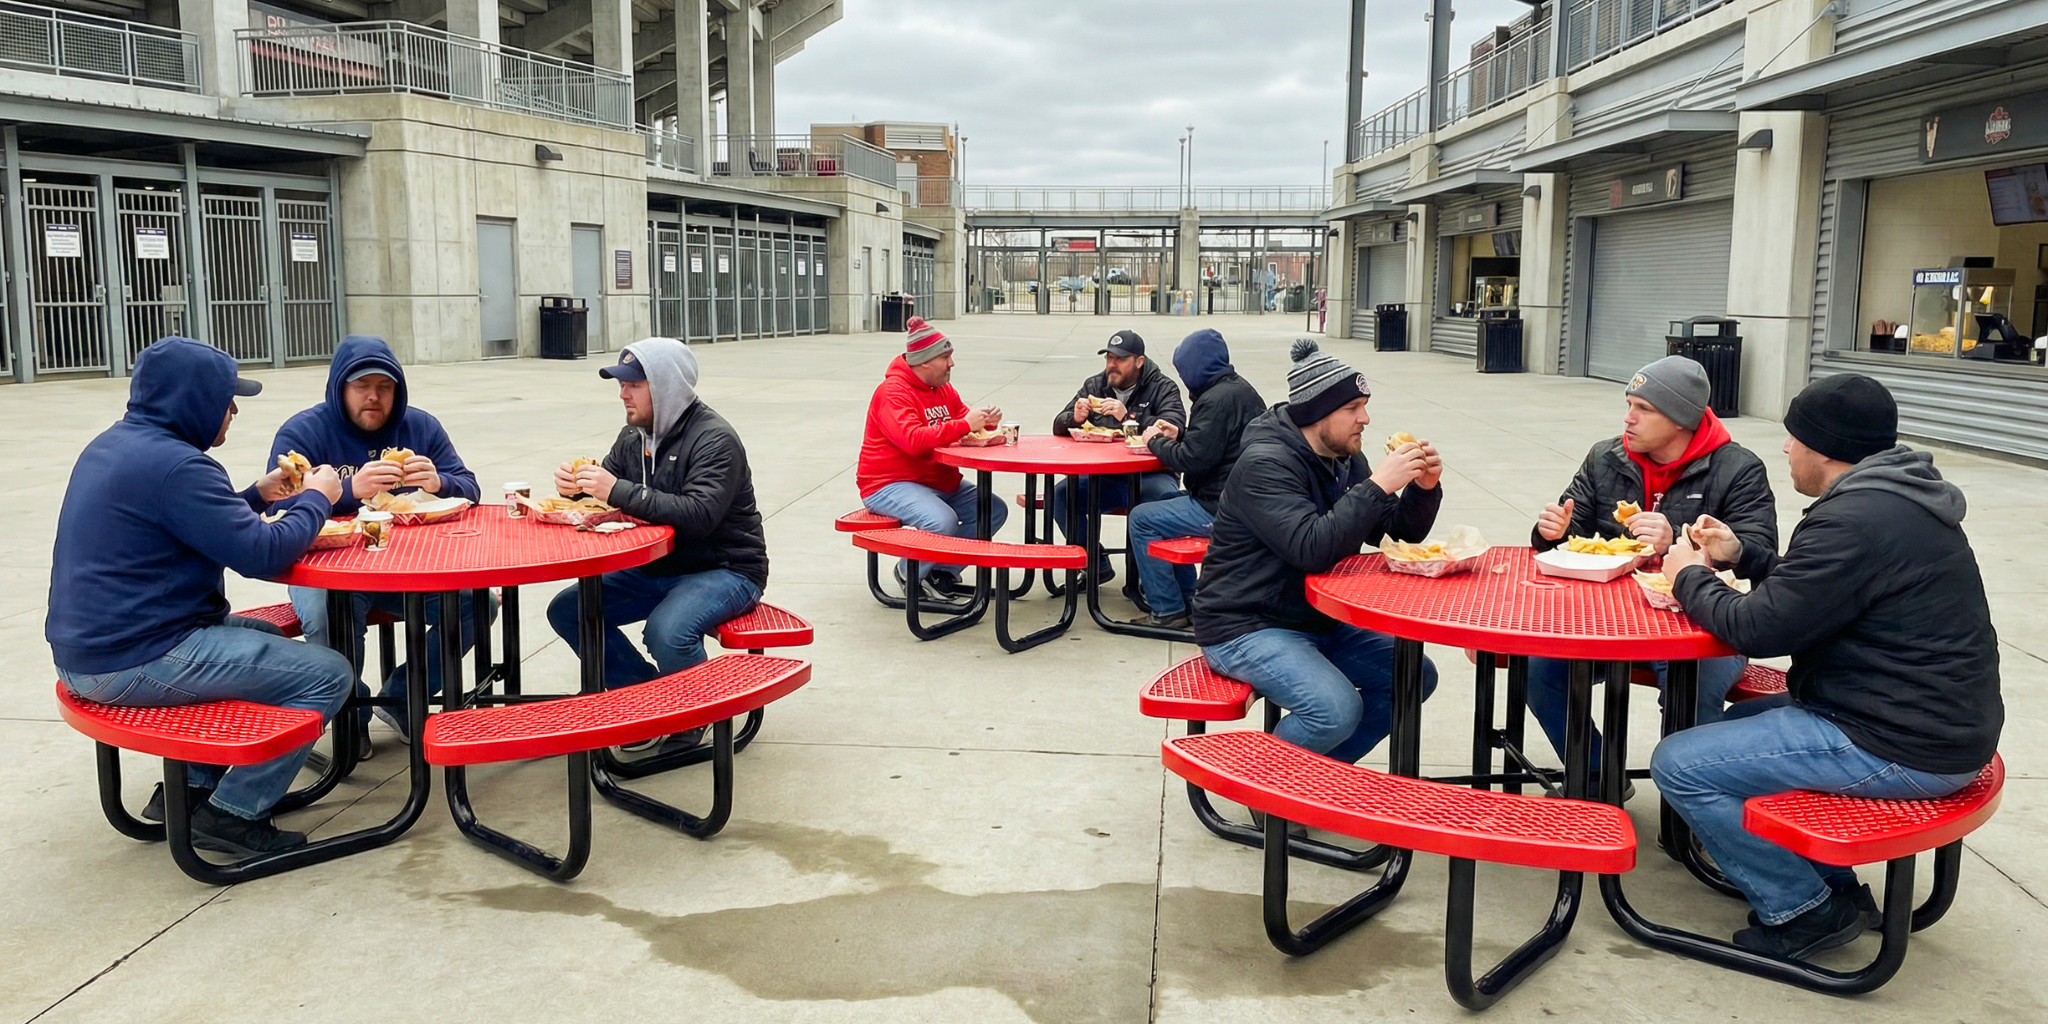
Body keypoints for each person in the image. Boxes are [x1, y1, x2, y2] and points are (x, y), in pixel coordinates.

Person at [1651, 374, 2000, 960]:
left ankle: (1804, 910)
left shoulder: (1855, 518)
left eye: (1794, 437)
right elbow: (1819, 590)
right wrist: (1745, 554)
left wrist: (1687, 575)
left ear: (1826, 449)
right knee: (1728, 731)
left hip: (1901, 743)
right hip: (1924, 719)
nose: (1786, 448)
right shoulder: (1892, 499)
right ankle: (1835, 885)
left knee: (1680, 763)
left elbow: (1760, 629)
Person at [49, 337, 354, 856]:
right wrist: (316, 499)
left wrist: (257, 496)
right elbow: (263, 556)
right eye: (225, 398)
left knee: (261, 636)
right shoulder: (180, 467)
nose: (233, 409)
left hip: (91, 652)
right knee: (329, 673)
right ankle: (232, 813)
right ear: (194, 401)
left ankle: (190, 787)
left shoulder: (116, 446)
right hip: (132, 659)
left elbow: (187, 522)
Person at [1194, 339, 1442, 764]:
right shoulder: (1265, 464)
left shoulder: (1345, 458)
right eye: (1352, 408)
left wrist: (1423, 488)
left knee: (1413, 675)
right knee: (1334, 710)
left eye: (1364, 406)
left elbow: (1396, 533)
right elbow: (1310, 548)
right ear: (1316, 413)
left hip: (1314, 618)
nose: (1365, 419)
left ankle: (1315, 778)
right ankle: (1267, 784)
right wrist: (1377, 486)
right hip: (1245, 624)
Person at [1526, 355, 1777, 776]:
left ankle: (1688, 794)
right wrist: (1551, 532)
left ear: (1680, 419)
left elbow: (1760, 554)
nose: (1628, 418)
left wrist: (1677, 537)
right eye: (1628, 405)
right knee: (1538, 670)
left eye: (1643, 409)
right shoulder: (1605, 457)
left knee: (1693, 689)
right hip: (1608, 620)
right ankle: (1597, 775)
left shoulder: (1737, 469)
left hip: (1702, 625)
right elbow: (1573, 532)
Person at [546, 339, 771, 756]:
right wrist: (576, 489)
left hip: (725, 569)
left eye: (634, 384)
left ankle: (693, 718)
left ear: (666, 386)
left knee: (668, 632)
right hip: (658, 565)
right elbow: (608, 489)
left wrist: (615, 489)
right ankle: (645, 695)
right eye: (621, 384)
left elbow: (699, 514)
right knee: (569, 609)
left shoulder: (714, 439)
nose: (623, 394)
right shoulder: (633, 437)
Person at [271, 335, 490, 754]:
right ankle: (349, 718)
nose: (374, 397)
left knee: (478, 605)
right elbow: (279, 506)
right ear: (340, 388)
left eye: (384, 387)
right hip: (327, 570)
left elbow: (470, 487)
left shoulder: (420, 427)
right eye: (362, 386)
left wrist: (439, 482)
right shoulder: (304, 432)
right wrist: (348, 489)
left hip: (404, 569)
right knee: (326, 613)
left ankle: (404, 698)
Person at [855, 316, 1007, 601]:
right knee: (941, 521)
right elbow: (912, 440)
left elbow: (963, 419)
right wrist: (965, 425)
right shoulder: (892, 392)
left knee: (993, 510)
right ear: (925, 361)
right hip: (888, 483)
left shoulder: (943, 389)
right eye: (945, 357)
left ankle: (942, 571)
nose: (952, 363)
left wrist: (986, 423)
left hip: (936, 480)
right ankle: (909, 572)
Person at [1126, 328, 1265, 628]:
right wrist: (1181, 434)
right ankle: (1188, 598)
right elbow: (1213, 444)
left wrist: (1154, 441)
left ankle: (1167, 609)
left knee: (1141, 518)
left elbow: (1191, 460)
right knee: (1164, 500)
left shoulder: (1214, 401)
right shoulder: (1238, 389)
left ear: (1196, 367)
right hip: (1238, 500)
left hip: (1222, 509)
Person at [1048, 330, 1186, 583]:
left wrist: (1128, 417)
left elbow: (1174, 427)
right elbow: (1058, 425)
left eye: (1120, 359)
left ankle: (1151, 579)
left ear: (1139, 361)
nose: (1112, 365)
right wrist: (1074, 418)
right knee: (1060, 495)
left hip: (1151, 475)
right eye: (1109, 358)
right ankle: (1095, 564)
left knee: (1164, 502)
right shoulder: (1095, 385)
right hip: (1106, 476)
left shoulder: (1162, 387)